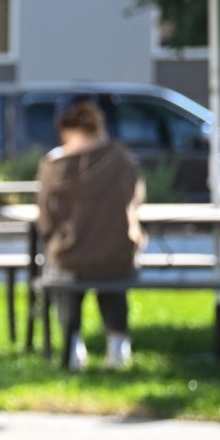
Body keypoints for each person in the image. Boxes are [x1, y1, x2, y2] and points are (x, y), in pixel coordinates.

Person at [35, 95, 143, 371]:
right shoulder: (121, 159)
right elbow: (135, 198)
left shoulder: (54, 166)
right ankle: (118, 348)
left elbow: (46, 221)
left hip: (71, 256)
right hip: (117, 256)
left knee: (61, 268)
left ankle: (72, 347)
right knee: (111, 274)